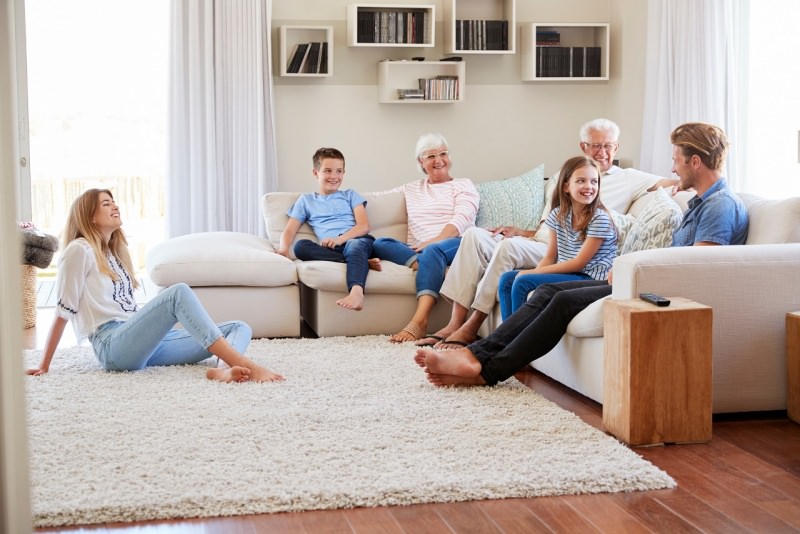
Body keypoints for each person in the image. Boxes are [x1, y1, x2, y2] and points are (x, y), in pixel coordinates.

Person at [415, 121, 748, 387]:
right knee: (546, 290)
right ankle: (476, 353)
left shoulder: (720, 205)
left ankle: (483, 368)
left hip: (660, 291)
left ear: (695, 161)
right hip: (643, 280)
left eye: (676, 160)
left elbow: (697, 267)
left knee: (559, 300)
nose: (673, 168)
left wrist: (633, 266)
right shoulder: (700, 201)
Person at [418, 118, 678, 348]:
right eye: (596, 145)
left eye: (608, 146)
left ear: (616, 147)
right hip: (540, 242)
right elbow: (549, 226)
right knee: (474, 235)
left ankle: (475, 325)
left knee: (509, 252)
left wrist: (675, 190)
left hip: (576, 257)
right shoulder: (563, 178)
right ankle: (456, 322)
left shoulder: (629, 179)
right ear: (583, 147)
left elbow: (676, 180)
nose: (602, 152)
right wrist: (521, 232)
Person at [26, 189, 284, 383]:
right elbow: (63, 311)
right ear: (89, 217)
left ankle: (223, 369)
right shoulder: (79, 250)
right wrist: (44, 364)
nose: (115, 206)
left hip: (143, 343)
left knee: (238, 327)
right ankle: (242, 362)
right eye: (106, 203)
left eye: (114, 201)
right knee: (178, 292)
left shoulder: (114, 254)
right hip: (113, 345)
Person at [371, 133, 480, 342]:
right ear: (420, 161)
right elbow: (375, 200)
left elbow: (460, 221)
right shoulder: (411, 188)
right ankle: (428, 265)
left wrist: (432, 241)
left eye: (443, 154)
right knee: (380, 243)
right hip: (423, 250)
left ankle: (419, 322)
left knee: (432, 251)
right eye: (431, 156)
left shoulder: (463, 185)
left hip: (457, 244)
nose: (439, 160)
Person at [496, 155, 617, 320]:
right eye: (581, 181)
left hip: (591, 278)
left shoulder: (600, 218)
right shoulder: (557, 215)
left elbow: (578, 263)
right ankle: (504, 338)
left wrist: (532, 273)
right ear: (566, 186)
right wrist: (534, 272)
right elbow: (551, 256)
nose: (589, 186)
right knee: (506, 279)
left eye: (594, 181)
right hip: (572, 273)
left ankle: (513, 339)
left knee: (523, 281)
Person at [278, 147, 379, 311]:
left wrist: (341, 238)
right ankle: (360, 262)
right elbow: (289, 231)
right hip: (332, 249)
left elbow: (363, 226)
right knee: (300, 246)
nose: (334, 176)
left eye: (339, 171)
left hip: (357, 242)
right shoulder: (306, 200)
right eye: (328, 171)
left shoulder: (350, 195)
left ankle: (356, 291)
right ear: (315, 173)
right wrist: (283, 249)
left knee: (354, 246)